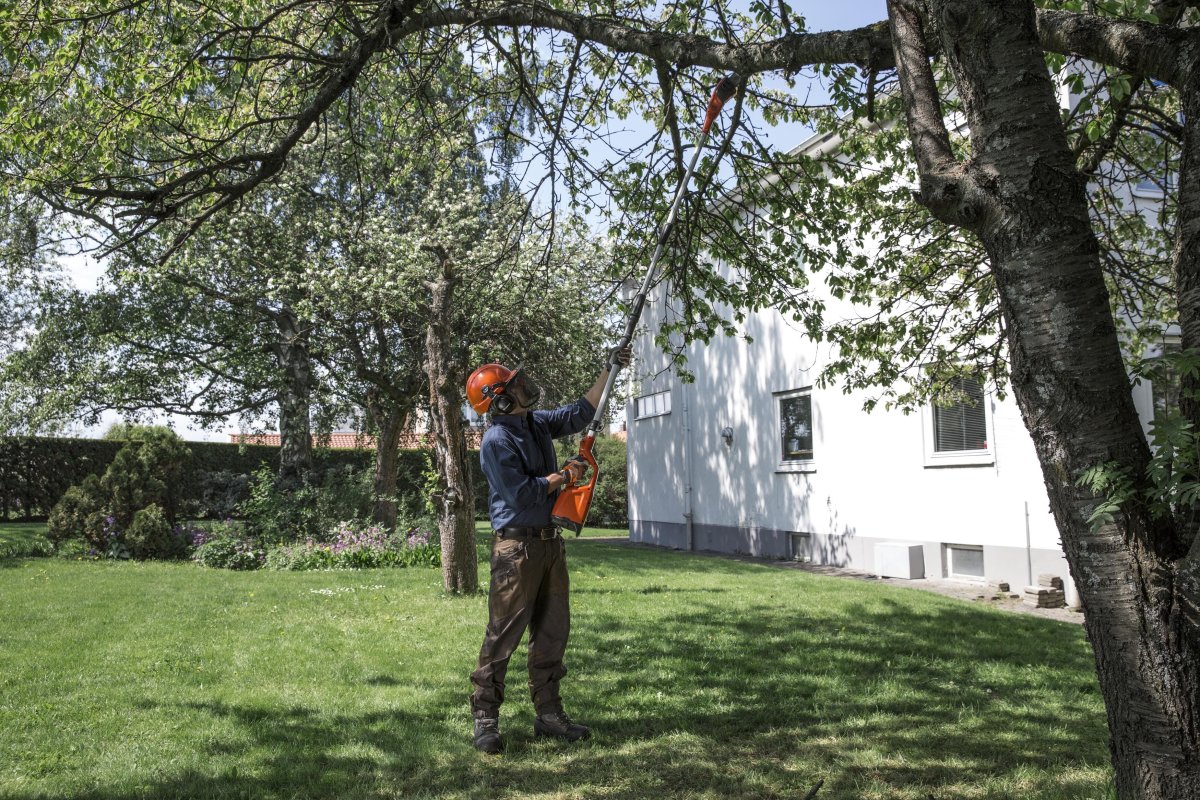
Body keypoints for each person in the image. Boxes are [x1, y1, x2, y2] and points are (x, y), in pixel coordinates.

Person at [463, 351, 628, 754]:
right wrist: (565, 476)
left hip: (550, 544)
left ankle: (549, 715)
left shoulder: (535, 422)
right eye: (515, 385)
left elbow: (580, 413)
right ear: (501, 401)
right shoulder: (497, 441)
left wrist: (609, 367)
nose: (524, 386)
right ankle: (485, 718)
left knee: (553, 632)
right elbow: (521, 493)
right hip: (516, 549)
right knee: (503, 635)